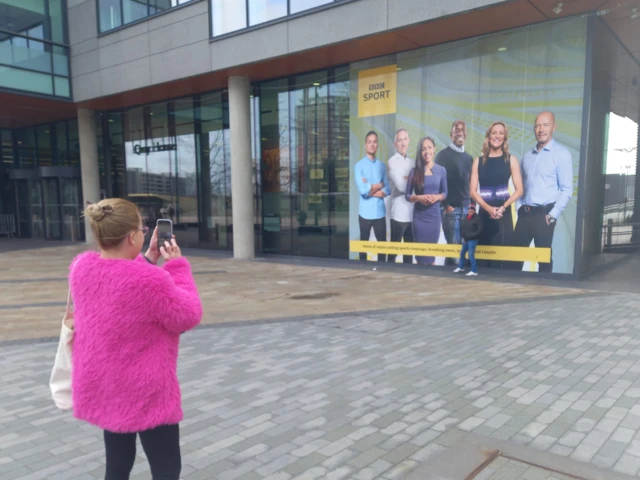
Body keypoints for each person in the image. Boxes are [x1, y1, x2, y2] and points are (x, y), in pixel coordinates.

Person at [68, 198, 202, 480]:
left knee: (117, 464)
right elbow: (187, 315)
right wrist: (177, 267)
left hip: (106, 383)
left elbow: (120, 284)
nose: (145, 233)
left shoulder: (81, 269)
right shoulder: (148, 280)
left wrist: (148, 257)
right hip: (146, 390)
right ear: (131, 237)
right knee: (166, 468)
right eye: (142, 228)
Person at [515, 111, 573, 272]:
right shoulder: (526, 156)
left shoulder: (562, 154)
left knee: (544, 261)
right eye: (538, 125)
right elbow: (520, 187)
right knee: (514, 258)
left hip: (544, 215)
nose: (541, 129)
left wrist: (552, 215)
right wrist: (518, 207)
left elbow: (567, 189)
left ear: (553, 127)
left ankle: (544, 294)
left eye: (546, 125)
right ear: (534, 128)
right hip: (524, 214)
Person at [470, 121, 523, 269]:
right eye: (494, 133)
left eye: (501, 133)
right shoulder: (477, 162)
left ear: (504, 138)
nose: (497, 136)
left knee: (502, 260)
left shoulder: (511, 160)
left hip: (504, 216)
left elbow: (519, 190)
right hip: (484, 215)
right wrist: (488, 209)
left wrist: (503, 207)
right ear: (488, 136)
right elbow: (473, 191)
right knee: (482, 259)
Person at [405, 137, 448, 265]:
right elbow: (407, 195)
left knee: (431, 256)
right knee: (420, 256)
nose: (427, 151)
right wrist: (419, 198)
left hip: (434, 217)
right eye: (423, 149)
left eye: (429, 147)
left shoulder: (441, 170)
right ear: (420, 152)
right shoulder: (414, 172)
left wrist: (436, 197)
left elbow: (445, 193)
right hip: (419, 218)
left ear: (434, 149)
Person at [436, 120, 473, 262]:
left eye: (462, 129)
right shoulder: (442, 155)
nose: (460, 132)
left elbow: (471, 185)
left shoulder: (469, 158)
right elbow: (437, 183)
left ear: (466, 134)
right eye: (456, 130)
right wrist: (447, 206)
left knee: (464, 253)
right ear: (451, 134)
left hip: (467, 211)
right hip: (452, 211)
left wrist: (471, 207)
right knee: (454, 255)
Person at [354, 130, 391, 261]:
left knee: (382, 247)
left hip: (380, 213)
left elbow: (388, 188)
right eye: (369, 142)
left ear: (377, 145)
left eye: (375, 142)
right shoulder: (359, 166)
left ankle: (383, 271)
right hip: (364, 214)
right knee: (363, 246)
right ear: (365, 145)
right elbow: (363, 191)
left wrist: (370, 187)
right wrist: (379, 185)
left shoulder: (382, 166)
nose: (372, 144)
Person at [387, 128, 414, 264]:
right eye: (399, 140)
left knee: (409, 252)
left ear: (408, 141)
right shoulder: (392, 161)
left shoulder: (412, 162)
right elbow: (401, 186)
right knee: (393, 252)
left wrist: (406, 178)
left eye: (405, 139)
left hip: (412, 213)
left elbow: (418, 185)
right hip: (398, 213)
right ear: (395, 144)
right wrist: (410, 180)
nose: (402, 143)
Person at [454, 204, 483, 276]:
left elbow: (480, 230)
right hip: (466, 239)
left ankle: (474, 271)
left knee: (471, 255)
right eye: (469, 209)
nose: (470, 210)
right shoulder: (465, 217)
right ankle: (461, 267)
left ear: (474, 210)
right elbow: (462, 227)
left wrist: (472, 236)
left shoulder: (477, 218)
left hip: (473, 240)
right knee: (462, 253)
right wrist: (463, 236)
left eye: (472, 209)